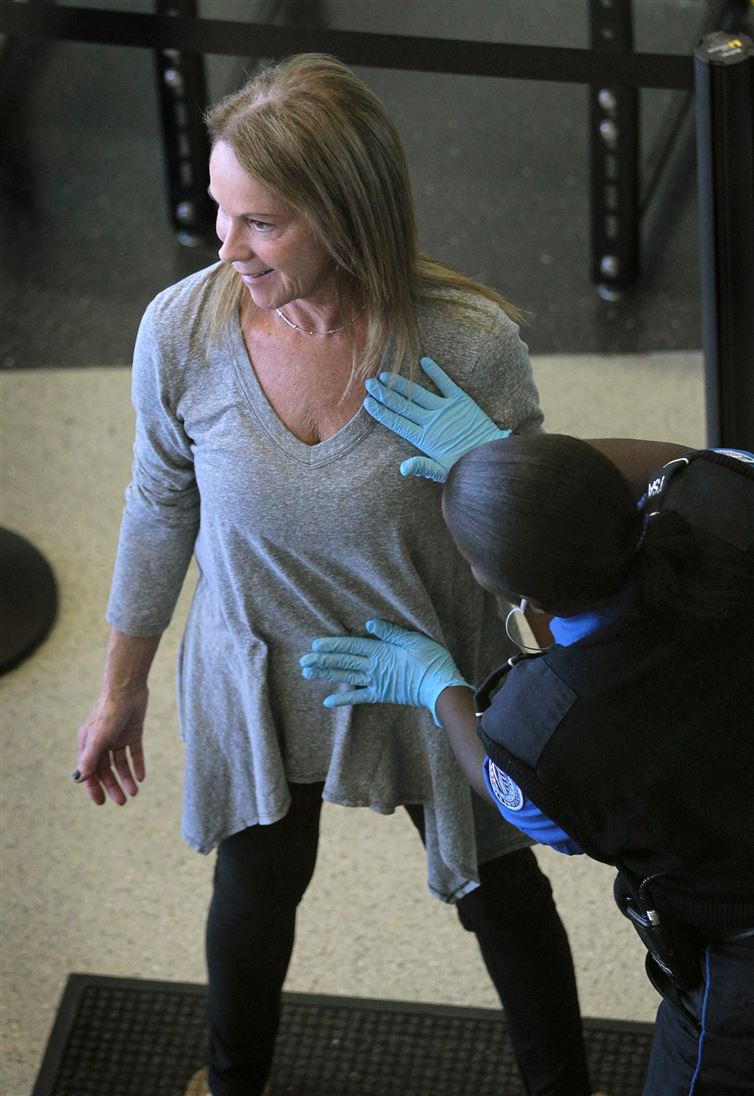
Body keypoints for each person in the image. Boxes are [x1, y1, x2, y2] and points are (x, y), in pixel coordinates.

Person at [72, 54, 600, 1096]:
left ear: (347, 217)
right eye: (220, 212)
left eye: (260, 223)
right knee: (256, 889)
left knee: (502, 893)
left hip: (434, 662)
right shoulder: (182, 330)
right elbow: (159, 502)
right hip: (263, 667)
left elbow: (548, 552)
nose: (227, 247)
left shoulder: (466, 344)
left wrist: (489, 470)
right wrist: (120, 687)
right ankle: (231, 1085)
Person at [301, 381, 754, 1095]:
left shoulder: (542, 729)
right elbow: (687, 462)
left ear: (524, 597)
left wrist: (438, 687)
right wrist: (525, 469)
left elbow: (508, 790)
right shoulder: (725, 495)